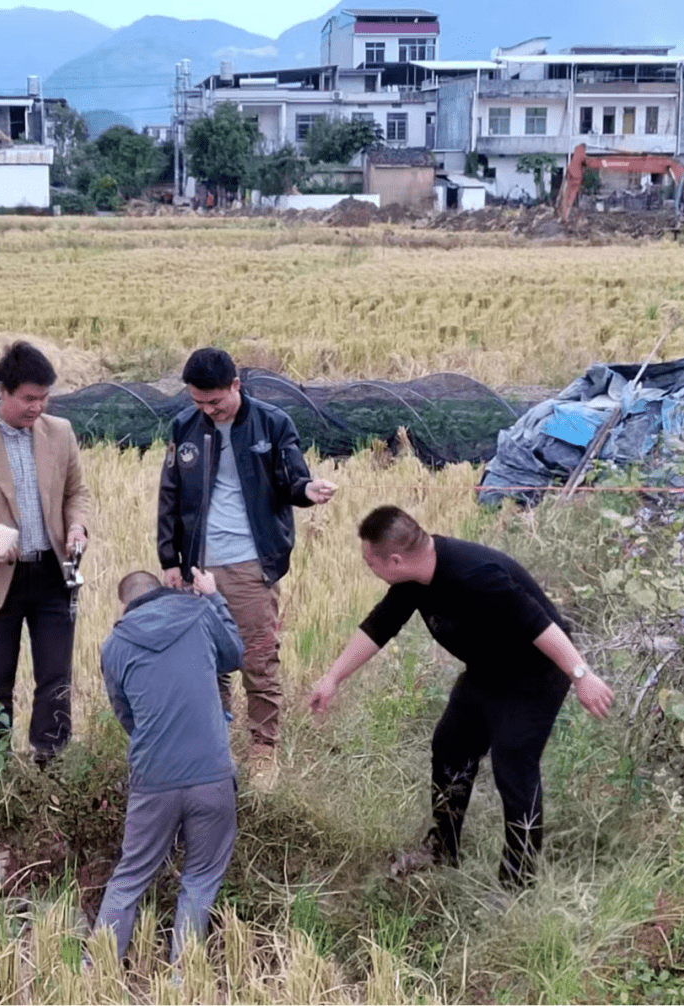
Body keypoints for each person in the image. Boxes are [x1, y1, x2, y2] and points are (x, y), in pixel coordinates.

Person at [308, 505, 613, 890]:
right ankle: (442, 848)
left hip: (536, 675)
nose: (368, 567)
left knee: (513, 769)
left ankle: (516, 884)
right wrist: (333, 677)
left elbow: (543, 626)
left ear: (396, 559)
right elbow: (379, 625)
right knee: (450, 747)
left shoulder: (477, 574)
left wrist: (582, 675)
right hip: (487, 670)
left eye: (371, 561)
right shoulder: (413, 581)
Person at [157, 347, 336, 783]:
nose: (208, 411)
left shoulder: (272, 423)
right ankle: (215, 743)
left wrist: (306, 489)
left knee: (257, 656)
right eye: (198, 403)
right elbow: (170, 495)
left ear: (236, 386)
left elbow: (291, 475)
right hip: (199, 565)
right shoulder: (185, 428)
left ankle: (263, 749)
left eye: (215, 401)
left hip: (249, 563)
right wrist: (170, 559)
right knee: (205, 660)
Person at [0, 341, 91, 762]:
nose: (38, 407)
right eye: (29, 398)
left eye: (44, 398)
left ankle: (52, 761)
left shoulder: (60, 434)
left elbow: (77, 493)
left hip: (51, 573)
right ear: (2, 391)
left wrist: (78, 526)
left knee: (55, 677)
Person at [93, 567, 243, 964]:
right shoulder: (200, 613)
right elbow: (234, 656)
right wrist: (214, 597)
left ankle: (96, 972)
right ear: (162, 591)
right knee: (200, 878)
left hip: (153, 780)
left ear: (125, 605)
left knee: (129, 878)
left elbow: (126, 716)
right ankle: (184, 978)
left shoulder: (114, 646)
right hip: (211, 775)